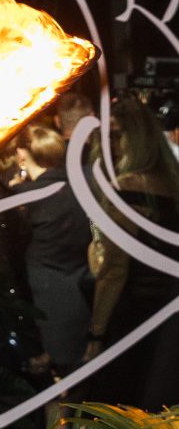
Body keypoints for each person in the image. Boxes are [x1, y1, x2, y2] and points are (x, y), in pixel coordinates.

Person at [82, 94, 179, 410]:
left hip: (134, 313)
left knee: (115, 412)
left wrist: (96, 336)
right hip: (168, 313)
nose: (109, 145)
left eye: (115, 135)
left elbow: (114, 270)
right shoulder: (172, 184)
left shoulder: (129, 187)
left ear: (133, 137)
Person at [12, 114, 94, 372]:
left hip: (42, 290)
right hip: (79, 284)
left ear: (22, 154)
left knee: (52, 365)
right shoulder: (79, 189)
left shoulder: (22, 196)